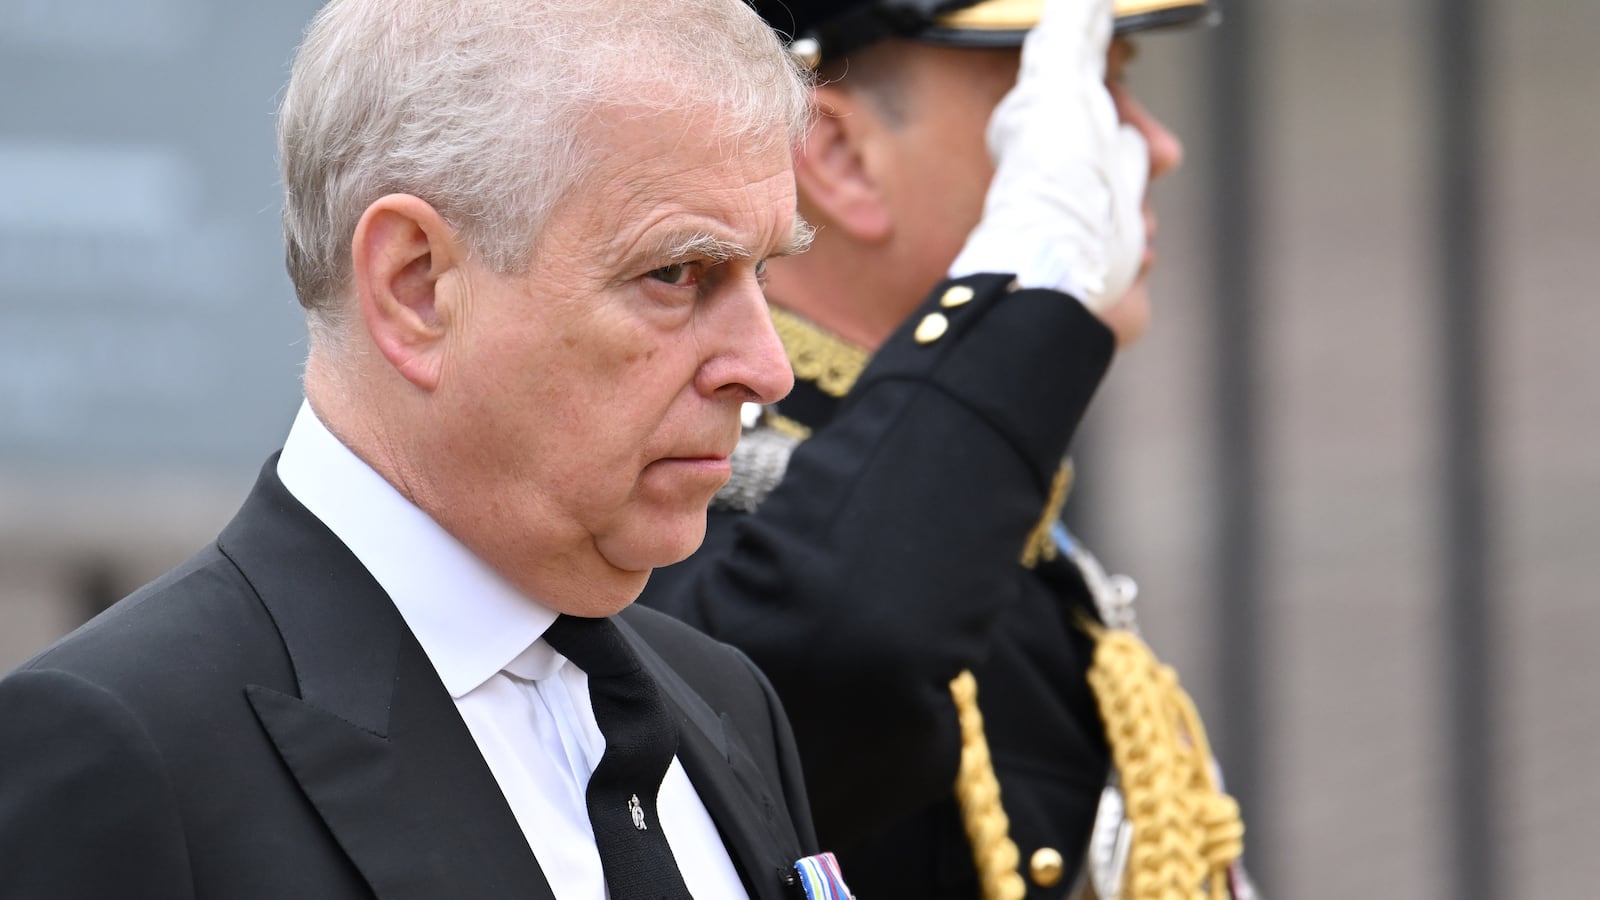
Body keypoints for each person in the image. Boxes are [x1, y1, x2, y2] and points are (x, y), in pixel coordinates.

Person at [0, 1, 848, 898]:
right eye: (677, 273)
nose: (767, 368)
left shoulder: (722, 702)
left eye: (761, 274)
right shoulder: (126, 747)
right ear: (415, 286)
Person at [638, 0, 1251, 897]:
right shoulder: (702, 496)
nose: (1156, 147)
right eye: (1083, 96)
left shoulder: (965, 501)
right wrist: (1020, 293)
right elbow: (836, 650)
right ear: (840, 158)